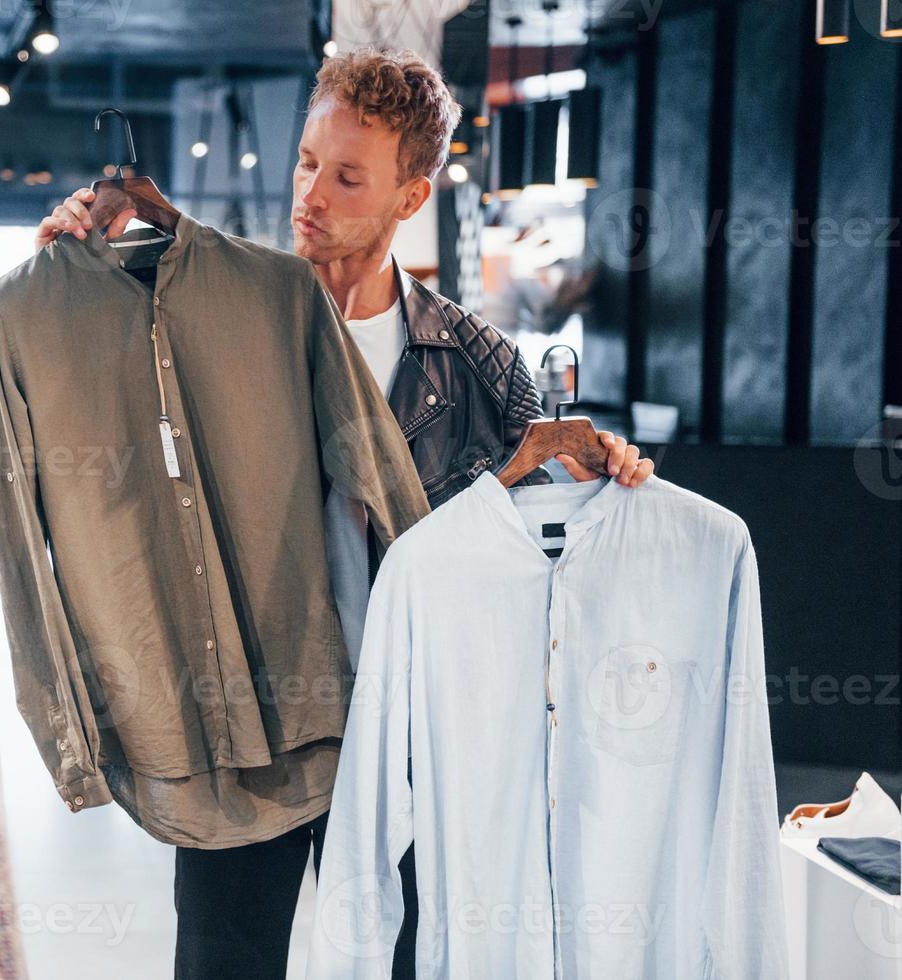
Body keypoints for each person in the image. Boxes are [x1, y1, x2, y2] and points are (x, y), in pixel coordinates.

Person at [32, 47, 654, 979]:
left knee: (412, 960)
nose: (311, 194)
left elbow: (533, 546)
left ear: (412, 195)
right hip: (249, 725)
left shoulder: (473, 359)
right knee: (220, 962)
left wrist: (607, 471)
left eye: (348, 175)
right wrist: (67, 278)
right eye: (306, 162)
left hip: (407, 731)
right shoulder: (208, 322)